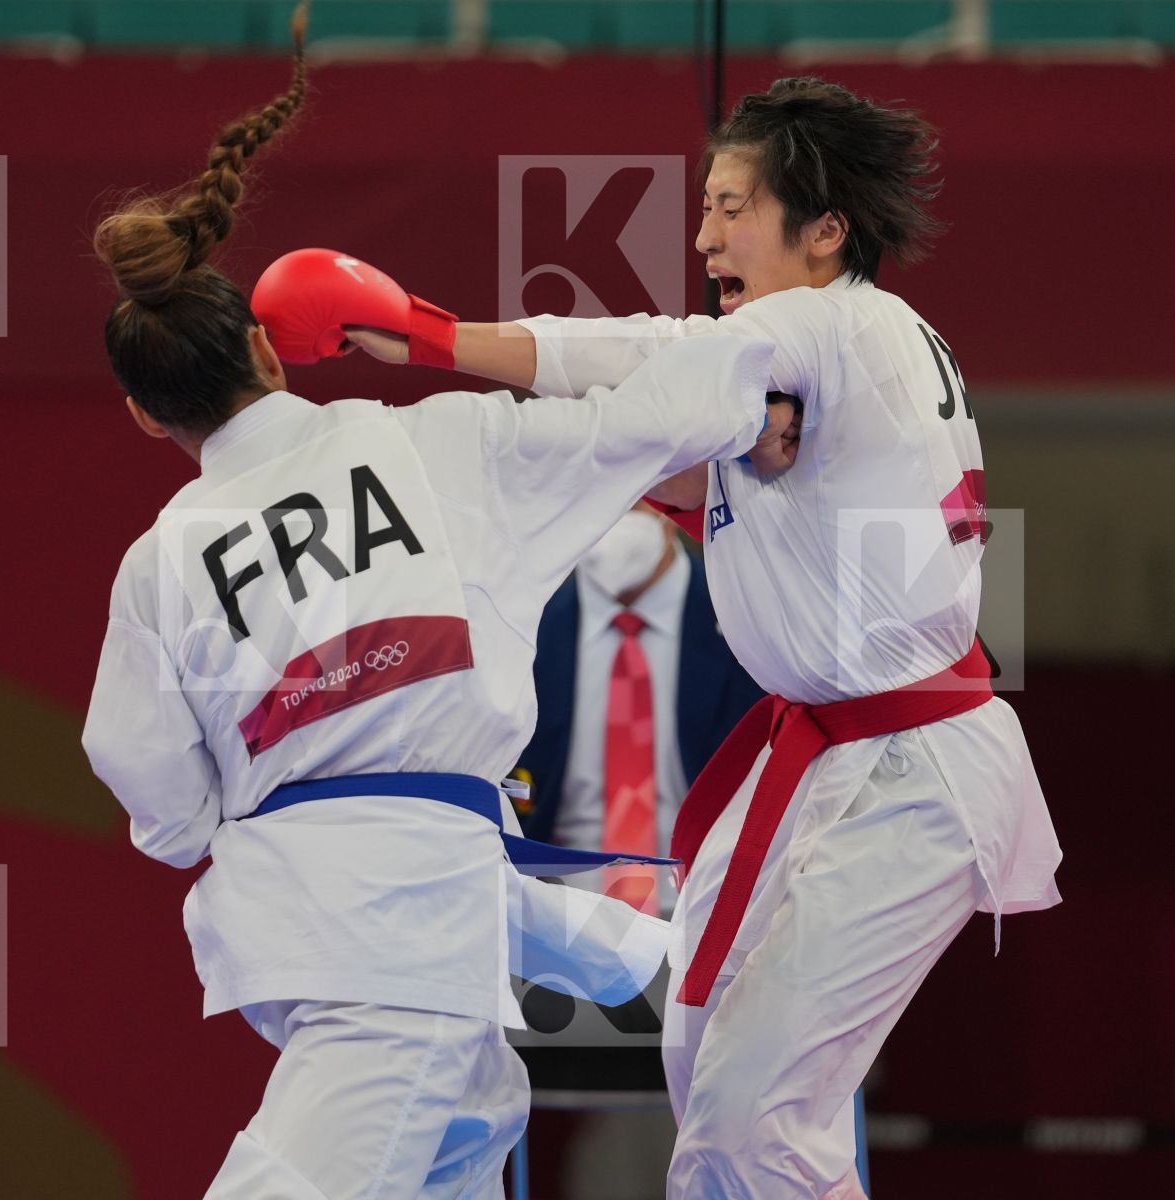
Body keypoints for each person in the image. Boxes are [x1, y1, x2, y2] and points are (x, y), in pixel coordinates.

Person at [77, 14, 792, 1196]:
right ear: (271, 348)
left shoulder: (161, 561)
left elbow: (146, 786)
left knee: (465, 1134)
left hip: (309, 918)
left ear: (149, 417)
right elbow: (652, 408)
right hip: (399, 937)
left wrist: (258, 806)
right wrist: (749, 394)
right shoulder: (442, 449)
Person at [342, 76, 1063, 1198]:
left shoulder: (819, 323)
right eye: (706, 205)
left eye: (733, 207)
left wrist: (433, 343)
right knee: (703, 1059)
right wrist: (438, 340)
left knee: (747, 1108)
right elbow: (663, 362)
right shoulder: (836, 342)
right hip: (833, 754)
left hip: (904, 772)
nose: (705, 234)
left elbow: (646, 368)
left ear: (823, 230)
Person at [518, 501, 763, 919]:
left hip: (707, 904)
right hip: (556, 912)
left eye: (636, 501)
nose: (616, 517)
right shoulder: (524, 629)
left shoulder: (749, 627)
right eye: (601, 497)